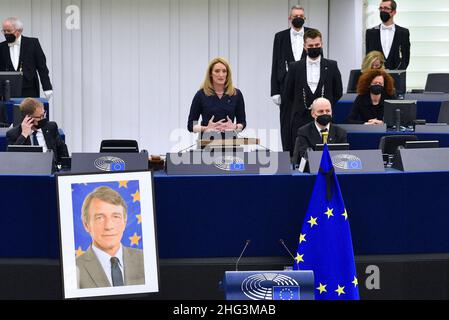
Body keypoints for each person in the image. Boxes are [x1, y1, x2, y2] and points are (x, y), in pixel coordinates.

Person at [281, 28, 343, 155]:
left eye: (317, 45)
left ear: (321, 44)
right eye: (311, 45)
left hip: (324, 119)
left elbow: (338, 91)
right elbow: (288, 93)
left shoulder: (332, 65)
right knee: (299, 156)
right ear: (305, 46)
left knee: (326, 155)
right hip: (300, 118)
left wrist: (324, 107)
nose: (314, 47)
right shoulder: (294, 67)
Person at [76, 186, 145, 289]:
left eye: (116, 216)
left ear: (124, 222)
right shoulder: (75, 268)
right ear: (86, 225)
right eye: (99, 218)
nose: (108, 226)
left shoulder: (145, 259)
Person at [271, 5, 313, 151]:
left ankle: (304, 153)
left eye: (301, 16)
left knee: (305, 121)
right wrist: (274, 91)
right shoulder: (280, 36)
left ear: (305, 18)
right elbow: (275, 63)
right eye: (295, 16)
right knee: (286, 122)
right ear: (290, 18)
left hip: (307, 87)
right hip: (285, 87)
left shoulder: (312, 34)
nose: (298, 18)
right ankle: (287, 155)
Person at [187, 57, 246, 134]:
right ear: (211, 74)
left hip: (230, 142)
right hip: (207, 142)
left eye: (224, 71)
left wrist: (234, 127)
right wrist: (206, 128)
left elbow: (242, 122)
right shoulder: (201, 95)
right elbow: (191, 125)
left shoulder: (236, 94)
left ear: (227, 74)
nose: (221, 75)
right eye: (217, 71)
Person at [0, 17, 53, 98]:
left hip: (30, 89)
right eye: (4, 31)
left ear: (19, 31)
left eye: (9, 31)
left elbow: (42, 67)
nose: (6, 33)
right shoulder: (1, 47)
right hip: (7, 91)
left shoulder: (33, 43)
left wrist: (47, 88)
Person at [6, 98, 68, 165]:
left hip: (51, 168)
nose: (43, 119)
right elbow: (11, 158)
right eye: (39, 117)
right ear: (28, 118)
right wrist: (23, 135)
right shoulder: (14, 133)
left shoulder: (51, 127)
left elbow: (62, 150)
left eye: (43, 115)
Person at [292, 97, 347, 164]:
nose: (325, 114)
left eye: (328, 111)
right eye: (321, 111)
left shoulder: (341, 132)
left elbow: (342, 157)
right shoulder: (304, 132)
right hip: (313, 170)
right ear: (313, 114)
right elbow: (305, 155)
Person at [365, 0, 410, 70]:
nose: (383, 11)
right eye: (381, 8)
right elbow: (369, 56)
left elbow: (406, 57)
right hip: (376, 76)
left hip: (397, 76)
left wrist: (399, 72)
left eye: (386, 8)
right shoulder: (370, 33)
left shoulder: (403, 32)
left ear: (394, 12)